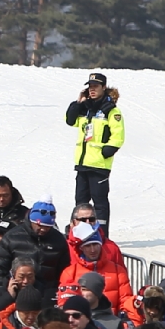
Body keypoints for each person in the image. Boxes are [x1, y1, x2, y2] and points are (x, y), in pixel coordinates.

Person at [65, 71, 124, 229]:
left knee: (100, 203)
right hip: (83, 163)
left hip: (99, 165)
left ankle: (102, 234)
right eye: (90, 86)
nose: (92, 89)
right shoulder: (85, 108)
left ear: (104, 87)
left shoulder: (111, 111)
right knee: (80, 202)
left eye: (96, 86)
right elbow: (70, 121)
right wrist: (78, 103)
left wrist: (106, 152)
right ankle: (80, 231)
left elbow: (118, 136)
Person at [0, 199, 71, 303]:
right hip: (17, 294)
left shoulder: (59, 240)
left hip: (47, 296)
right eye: (39, 225)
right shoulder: (12, 237)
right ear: (32, 221)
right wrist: (2, 293)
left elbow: (64, 271)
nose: (43, 229)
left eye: (47, 227)